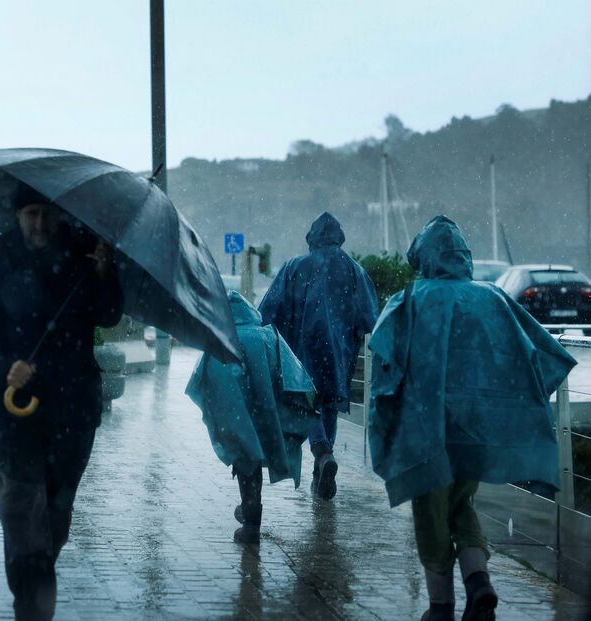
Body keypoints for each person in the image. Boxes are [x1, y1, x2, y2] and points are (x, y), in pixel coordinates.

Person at [368, 216, 575, 621]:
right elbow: (543, 355)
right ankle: (478, 580)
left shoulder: (409, 300)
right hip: (477, 428)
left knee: (430, 513)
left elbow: (384, 367)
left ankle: (440, 605)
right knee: (461, 504)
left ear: (424, 257)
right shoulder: (493, 298)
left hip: (423, 428)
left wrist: (385, 421)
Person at [0, 189, 123, 621]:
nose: (40, 224)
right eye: (32, 214)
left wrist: (105, 273)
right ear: (17, 215)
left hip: (74, 409)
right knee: (21, 508)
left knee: (56, 515)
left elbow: (108, 315)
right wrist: (2, 367)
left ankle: (34, 581)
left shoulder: (86, 252)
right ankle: (33, 607)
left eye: (48, 214)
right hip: (17, 411)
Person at [258, 212, 378, 499]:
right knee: (330, 405)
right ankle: (321, 467)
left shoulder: (295, 267)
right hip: (339, 351)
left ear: (311, 239)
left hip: (303, 349)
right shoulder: (354, 270)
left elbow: (268, 311)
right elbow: (371, 317)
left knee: (307, 404)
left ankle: (322, 452)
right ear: (339, 238)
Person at [186, 290, 316, 544]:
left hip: (238, 414)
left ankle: (251, 522)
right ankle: (250, 515)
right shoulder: (267, 336)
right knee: (259, 454)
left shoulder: (222, 340)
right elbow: (293, 376)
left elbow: (206, 381)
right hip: (266, 413)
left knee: (247, 461)